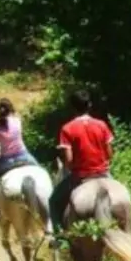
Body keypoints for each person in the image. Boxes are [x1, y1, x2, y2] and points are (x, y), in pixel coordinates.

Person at [49, 90, 114, 235]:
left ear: (72, 107)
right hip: (104, 174)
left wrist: (71, 166)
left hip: (80, 177)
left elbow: (69, 159)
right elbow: (110, 154)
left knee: (53, 201)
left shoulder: (67, 129)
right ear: (89, 105)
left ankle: (59, 237)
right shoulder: (102, 125)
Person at [0, 98, 38, 205]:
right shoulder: (17, 120)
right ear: (11, 109)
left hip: (6, 161)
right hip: (23, 155)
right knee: (41, 170)